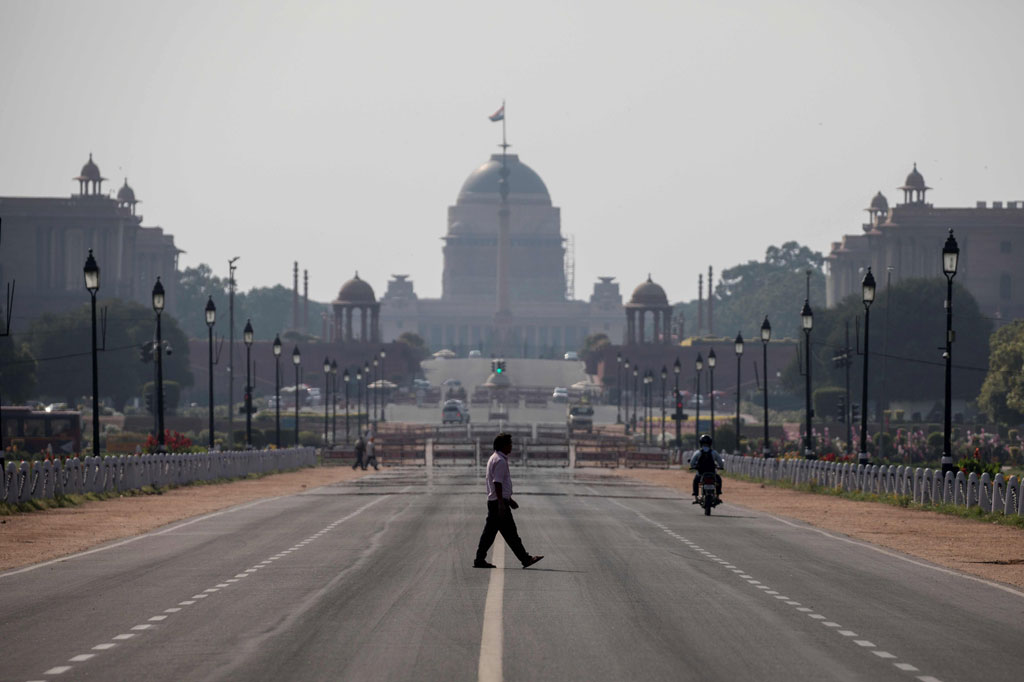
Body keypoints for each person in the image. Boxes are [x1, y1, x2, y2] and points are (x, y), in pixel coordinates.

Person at [474, 432, 543, 569]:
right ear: (503, 446)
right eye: (509, 444)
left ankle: (479, 559)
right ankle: (525, 559)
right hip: (498, 503)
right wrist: (502, 503)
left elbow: (499, 484)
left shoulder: (495, 458)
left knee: (490, 534)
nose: (511, 446)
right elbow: (497, 483)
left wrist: (509, 500)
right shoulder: (500, 461)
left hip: (496, 501)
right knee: (510, 534)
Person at [690, 433, 725, 503]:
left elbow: (692, 463)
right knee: (719, 480)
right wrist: (720, 467)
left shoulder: (698, 452)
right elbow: (721, 463)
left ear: (700, 443)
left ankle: (696, 496)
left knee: (695, 481)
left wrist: (694, 467)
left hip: (700, 474)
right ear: (710, 443)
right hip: (712, 473)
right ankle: (718, 496)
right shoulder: (714, 452)